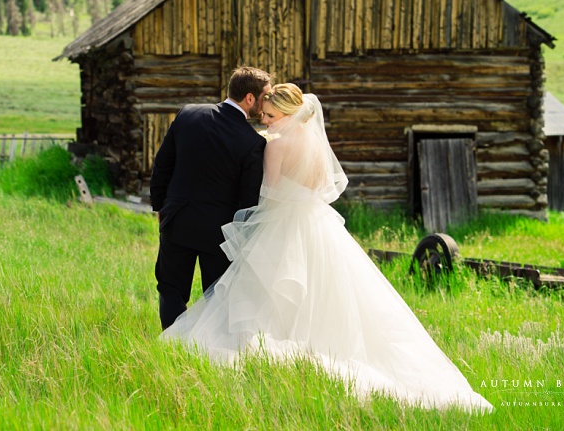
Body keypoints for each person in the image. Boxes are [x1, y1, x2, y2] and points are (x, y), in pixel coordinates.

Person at [161, 83, 493, 412]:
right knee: (322, 288)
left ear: (290, 114)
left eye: (272, 115)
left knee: (273, 288)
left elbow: (269, 191)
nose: (267, 121)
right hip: (317, 223)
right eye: (265, 115)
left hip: (285, 224)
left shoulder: (276, 147)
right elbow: (321, 186)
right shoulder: (316, 145)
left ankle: (278, 346)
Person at [150, 66, 273, 331]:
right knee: (217, 296)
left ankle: (170, 347)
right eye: (266, 96)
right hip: (219, 232)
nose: (268, 102)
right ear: (250, 99)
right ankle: (210, 353)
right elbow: (248, 201)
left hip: (177, 218)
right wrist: (242, 237)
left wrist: (160, 206)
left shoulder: (189, 113)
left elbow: (162, 165)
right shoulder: (252, 142)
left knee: (171, 289)